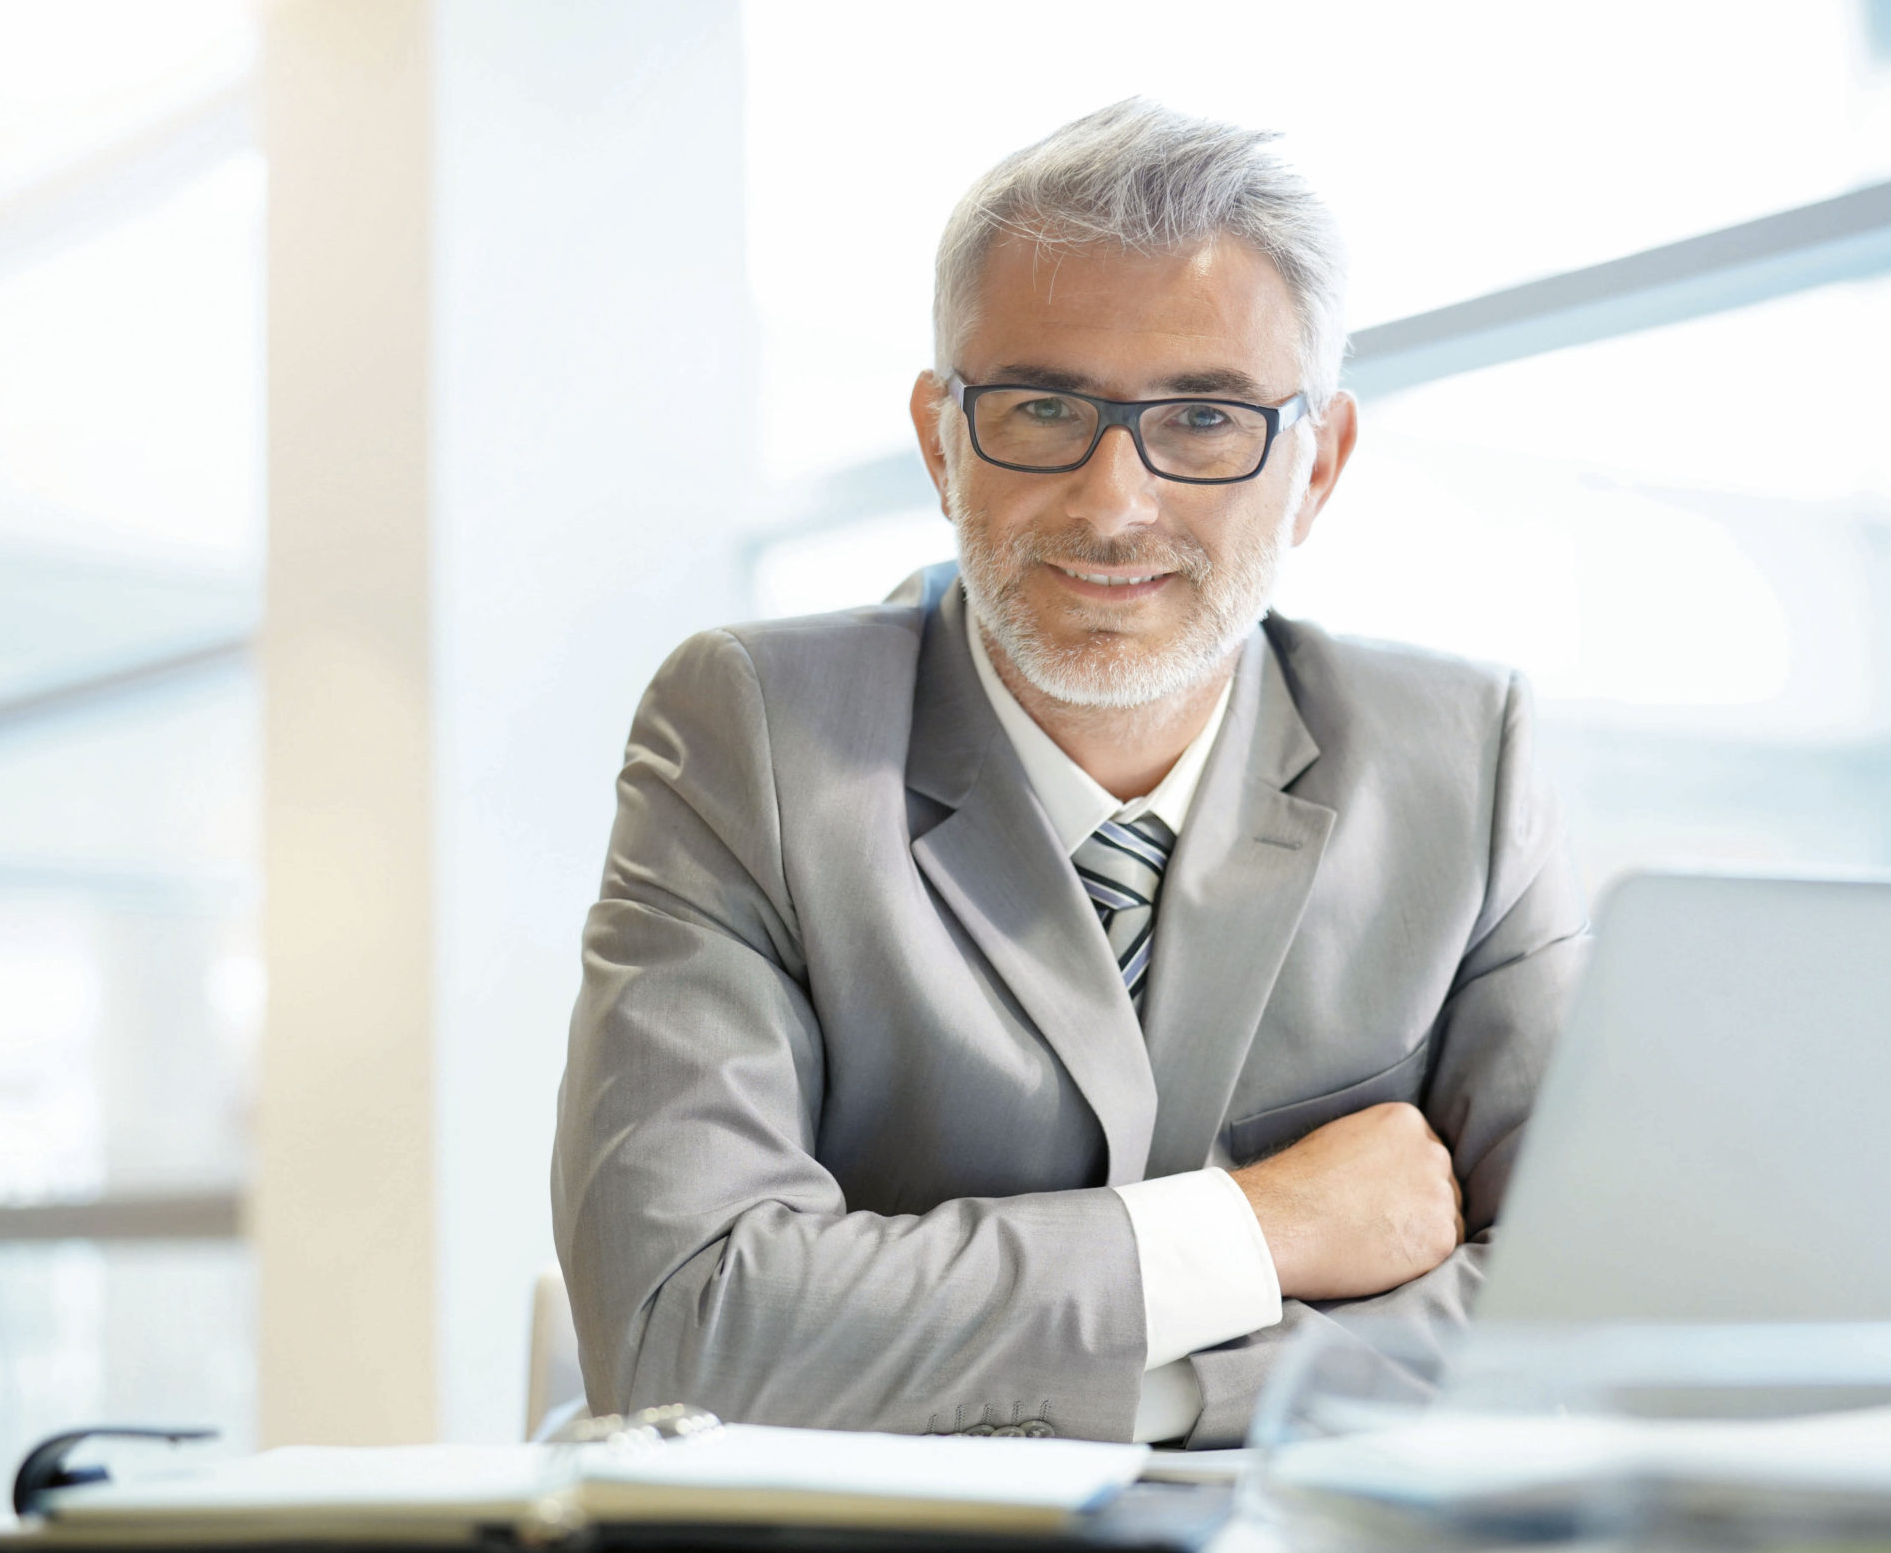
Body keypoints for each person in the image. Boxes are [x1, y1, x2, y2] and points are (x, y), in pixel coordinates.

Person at [554, 100, 1585, 1448]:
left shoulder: (1466, 758)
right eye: (1043, 407)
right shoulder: (750, 732)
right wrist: (1257, 1228)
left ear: (1317, 464)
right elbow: (684, 1328)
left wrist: (1130, 1386)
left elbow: (1577, 1314)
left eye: (1205, 418)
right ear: (940, 441)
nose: (1112, 502)